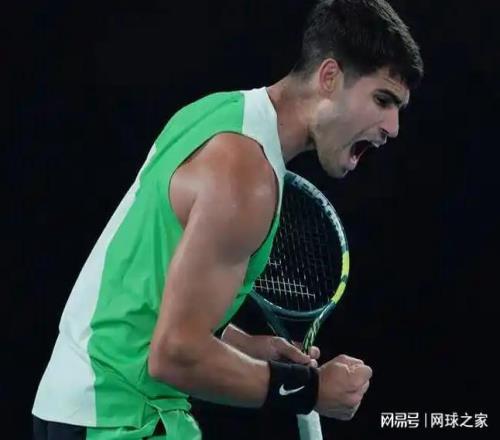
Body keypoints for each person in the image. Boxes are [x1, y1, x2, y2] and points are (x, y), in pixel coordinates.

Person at [32, 0, 423, 438]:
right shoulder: (246, 176)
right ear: (329, 77)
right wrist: (310, 391)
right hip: (121, 416)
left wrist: (245, 346)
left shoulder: (219, 113)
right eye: (382, 99)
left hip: (70, 404)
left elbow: (151, 285)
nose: (393, 127)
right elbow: (174, 353)